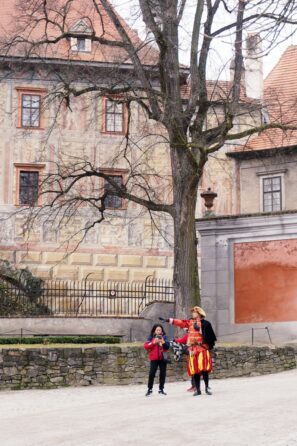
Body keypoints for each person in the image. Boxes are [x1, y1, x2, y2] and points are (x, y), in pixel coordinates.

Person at [160, 306, 216, 396]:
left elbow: (210, 336)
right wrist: (169, 320)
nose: (192, 313)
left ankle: (206, 388)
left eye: (194, 312)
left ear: (199, 313)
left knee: (204, 369)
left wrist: (200, 330)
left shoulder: (206, 323)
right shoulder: (190, 322)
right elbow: (181, 323)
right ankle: (198, 390)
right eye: (192, 312)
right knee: (195, 370)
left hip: (202, 349)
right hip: (193, 349)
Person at [144, 324, 170, 396]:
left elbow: (167, 347)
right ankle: (150, 389)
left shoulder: (164, 337)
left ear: (162, 331)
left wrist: (163, 342)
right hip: (154, 359)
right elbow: (146, 346)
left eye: (160, 330)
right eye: (157, 330)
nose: (158, 331)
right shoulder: (150, 337)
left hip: (162, 358)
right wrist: (153, 342)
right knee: (151, 373)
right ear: (154, 331)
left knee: (162, 374)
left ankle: (161, 389)